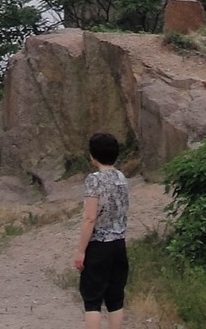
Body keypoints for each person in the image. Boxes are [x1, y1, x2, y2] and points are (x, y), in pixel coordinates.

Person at [73, 131, 129, 328]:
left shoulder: (94, 180)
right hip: (119, 244)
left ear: (92, 155)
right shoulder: (121, 178)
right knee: (115, 299)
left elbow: (90, 218)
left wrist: (81, 251)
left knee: (93, 300)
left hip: (99, 245)